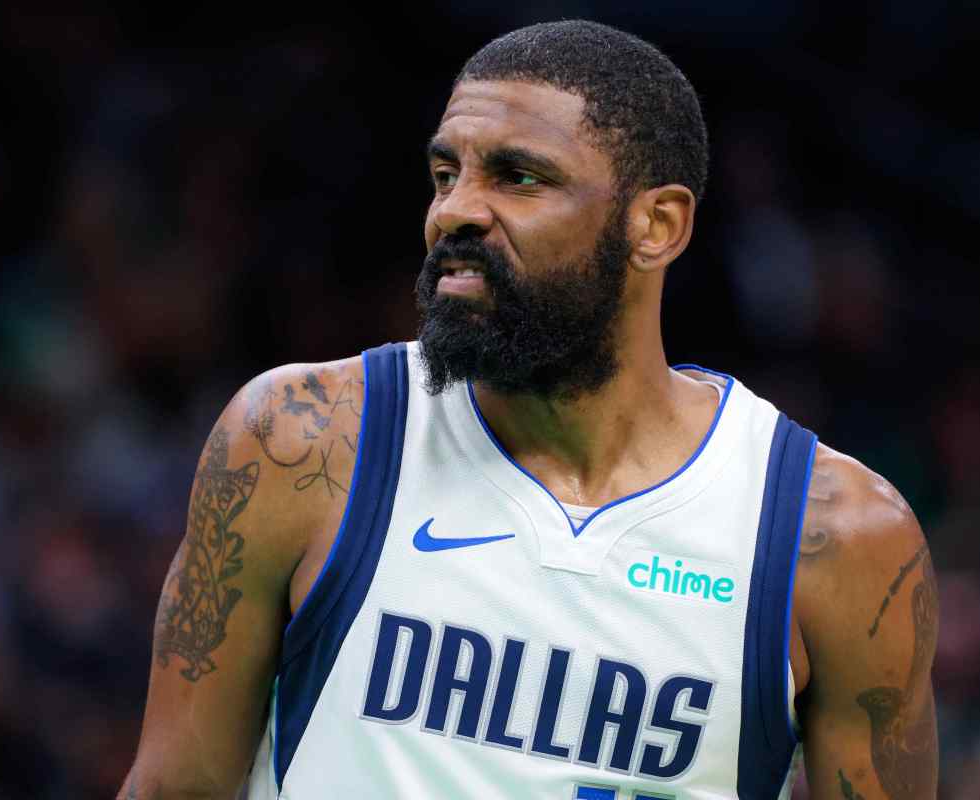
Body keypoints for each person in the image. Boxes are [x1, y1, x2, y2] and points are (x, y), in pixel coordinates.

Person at [120, 20, 938, 800]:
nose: (454, 211)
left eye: (517, 177)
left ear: (656, 225)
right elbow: (171, 787)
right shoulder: (301, 439)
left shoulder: (835, 536)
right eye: (446, 174)